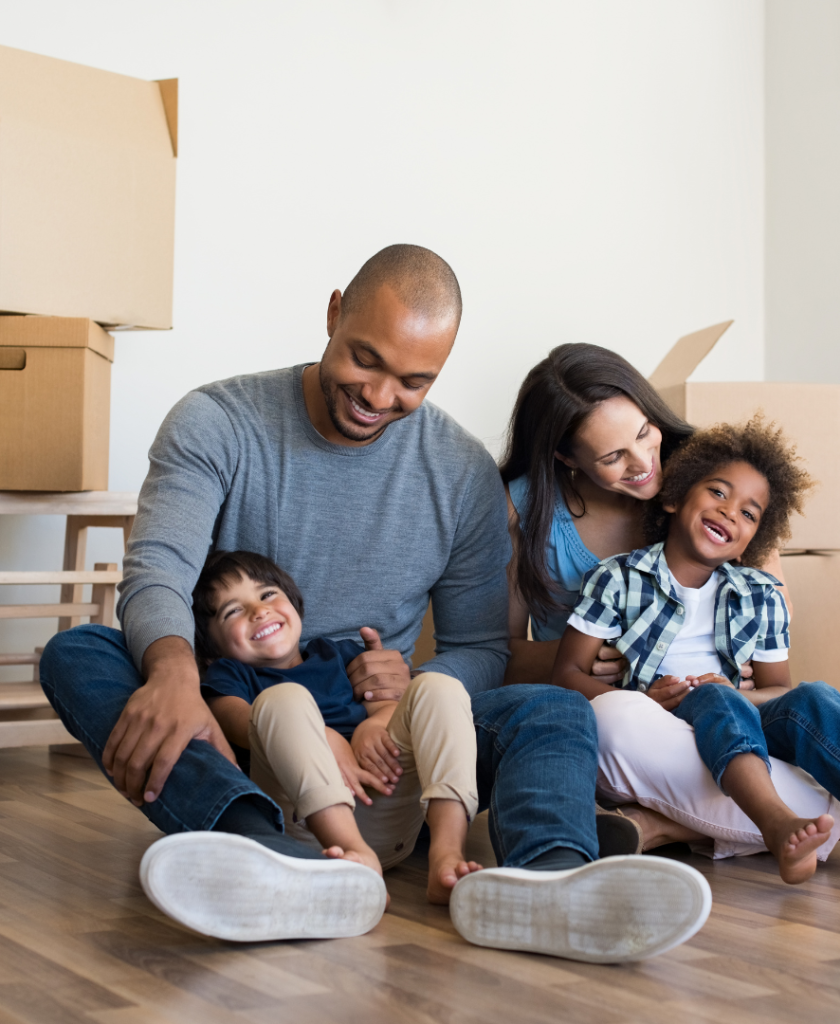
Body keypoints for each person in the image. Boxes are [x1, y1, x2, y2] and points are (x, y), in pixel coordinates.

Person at [40, 245, 711, 961]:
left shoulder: (458, 472)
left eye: (413, 381)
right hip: (239, 719)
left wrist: (405, 696)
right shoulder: (217, 422)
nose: (380, 396)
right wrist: (175, 674)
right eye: (366, 359)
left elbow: (482, 646)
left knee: (552, 708)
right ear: (334, 313)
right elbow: (159, 570)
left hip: (390, 749)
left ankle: (549, 878)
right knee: (80, 654)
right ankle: (256, 846)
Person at [499, 343, 840, 865]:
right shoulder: (532, 513)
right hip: (640, 725)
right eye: (613, 456)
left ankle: (666, 826)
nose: (646, 463)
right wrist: (604, 662)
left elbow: (773, 625)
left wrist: (741, 670)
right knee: (618, 718)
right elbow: (499, 652)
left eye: (644, 432)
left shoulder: (716, 475)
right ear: (566, 457)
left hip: (737, 715)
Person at [553, 418, 840, 886]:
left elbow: (777, 691)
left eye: (749, 513)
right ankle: (804, 822)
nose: (729, 513)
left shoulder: (761, 593)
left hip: (745, 732)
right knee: (621, 715)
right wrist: (645, 699)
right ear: (673, 496)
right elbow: (567, 674)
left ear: (754, 540)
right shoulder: (618, 578)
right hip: (660, 734)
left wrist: (737, 696)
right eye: (718, 493)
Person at [190, 548, 482, 914]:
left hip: (385, 797)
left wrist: (372, 726)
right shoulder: (228, 677)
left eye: (267, 595)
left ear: (295, 604)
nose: (258, 610)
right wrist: (325, 738)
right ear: (212, 647)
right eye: (233, 610)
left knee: (439, 687)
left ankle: (447, 851)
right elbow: (240, 725)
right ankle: (352, 852)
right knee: (282, 699)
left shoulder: (338, 653)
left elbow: (386, 705)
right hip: (310, 824)